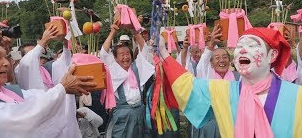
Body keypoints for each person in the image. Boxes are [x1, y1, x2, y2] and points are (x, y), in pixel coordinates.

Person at [158, 27, 302, 137]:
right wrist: (163, 52)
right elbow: (186, 85)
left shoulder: (297, 95)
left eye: (252, 46)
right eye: (239, 46)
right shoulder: (222, 90)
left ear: (272, 55)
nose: (243, 50)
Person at [0, 40, 97, 137]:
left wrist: (64, 89)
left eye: (6, 57)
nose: (6, 62)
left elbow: (37, 97)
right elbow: (23, 119)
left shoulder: (8, 91)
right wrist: (62, 89)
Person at [101, 24, 154, 138]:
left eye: (127, 54)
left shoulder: (137, 67)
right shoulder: (114, 70)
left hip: (140, 111)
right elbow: (104, 54)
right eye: (121, 54)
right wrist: (112, 33)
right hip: (122, 113)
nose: (125, 57)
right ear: (115, 58)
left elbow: (144, 49)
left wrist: (134, 30)